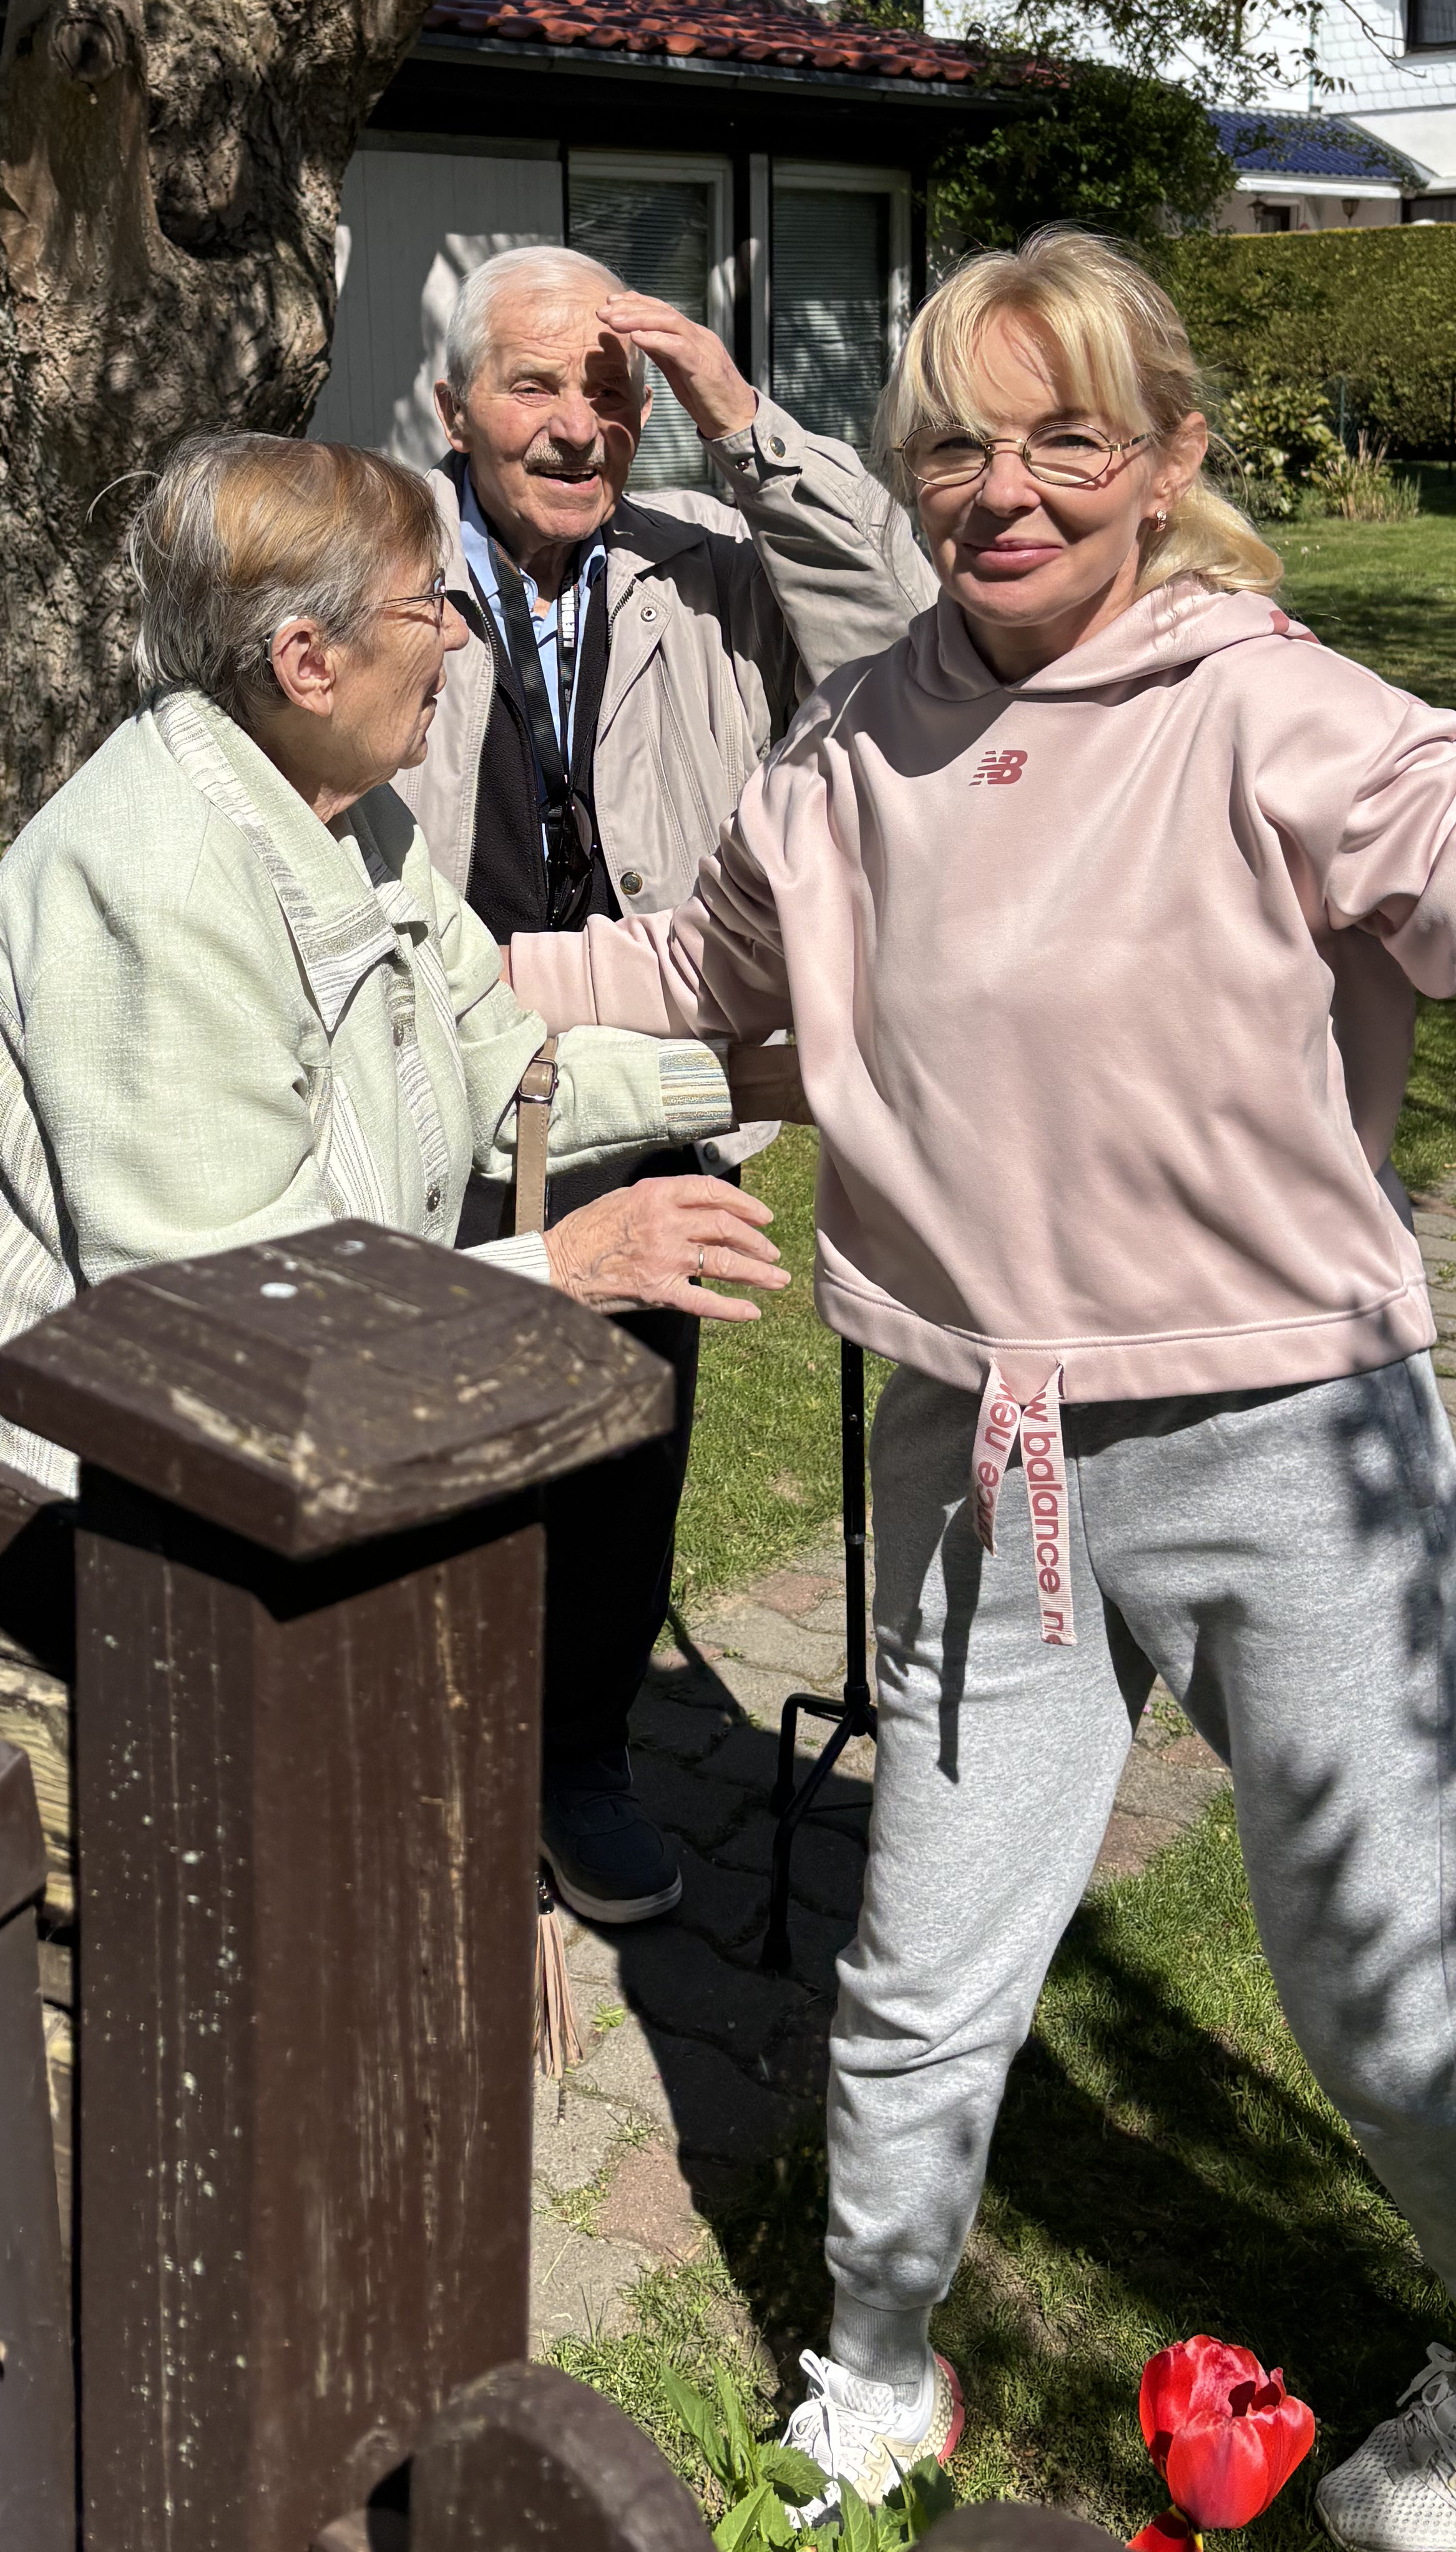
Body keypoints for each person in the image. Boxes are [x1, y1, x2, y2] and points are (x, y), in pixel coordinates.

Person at [502, 229, 1456, 2551]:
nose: (1003, 489)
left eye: (1064, 440)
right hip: (980, 1458)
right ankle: (867, 2379)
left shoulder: (1276, 711)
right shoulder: (853, 748)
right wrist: (383, 966)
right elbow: (678, 966)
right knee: (921, 1961)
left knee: (1371, 1971)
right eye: (960, 440)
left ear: (1164, 459)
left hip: (1288, 1453)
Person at [0, 433, 786, 1486]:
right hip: (15, 1521)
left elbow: (505, 1074)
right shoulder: (159, 885)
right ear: (308, 663)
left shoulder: (356, 815)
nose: (462, 640)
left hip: (230, 1498)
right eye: (431, 605)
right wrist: (565, 1267)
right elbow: (228, 1316)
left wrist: (775, 1080)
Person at [404, 244, 932, 1924]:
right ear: (453, 410)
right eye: (534, 387)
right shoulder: (379, 558)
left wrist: (739, 417)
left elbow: (906, 639)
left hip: (649, 1068)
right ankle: (420, 1763)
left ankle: (577, 1759)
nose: (578, 427)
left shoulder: (707, 557)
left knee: (623, 1436)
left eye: (611, 392)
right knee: (420, 1424)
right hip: (429, 1064)